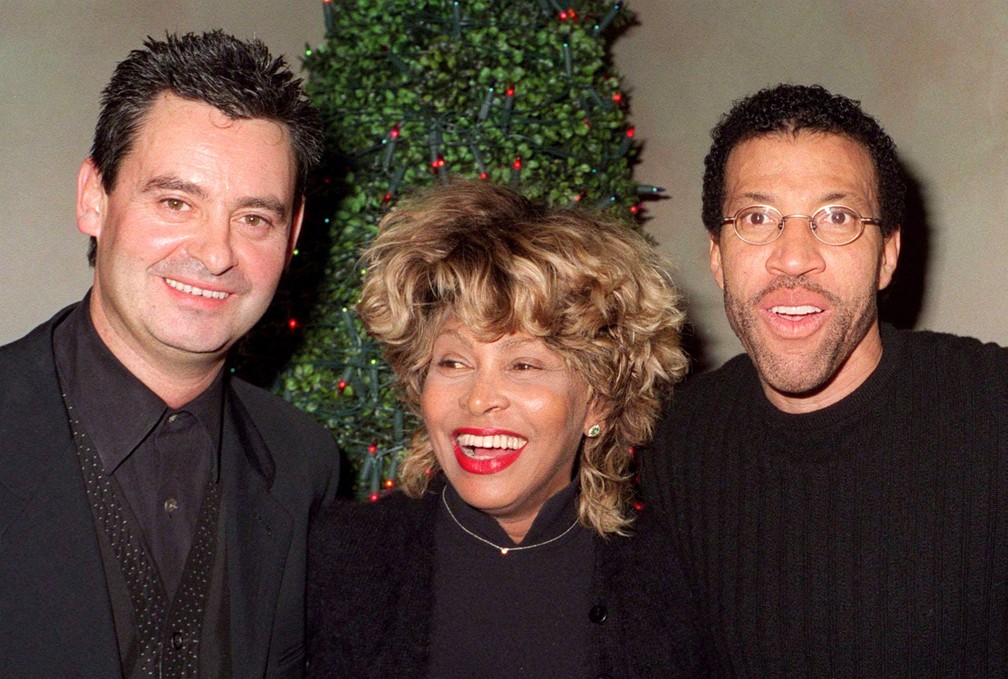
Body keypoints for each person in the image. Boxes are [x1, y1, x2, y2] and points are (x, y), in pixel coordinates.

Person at [0, 31, 340, 678]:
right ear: (93, 197)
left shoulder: (304, 463)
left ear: (293, 233)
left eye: (254, 219)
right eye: (176, 202)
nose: (216, 254)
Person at [642, 82, 1008, 676]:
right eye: (756, 218)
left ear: (887, 254)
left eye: (836, 217)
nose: (793, 258)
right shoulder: (669, 447)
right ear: (716, 255)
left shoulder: (993, 408)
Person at [306, 180, 710, 678]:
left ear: (599, 401)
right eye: (453, 362)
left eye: (523, 365)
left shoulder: (676, 574)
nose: (479, 398)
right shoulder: (337, 558)